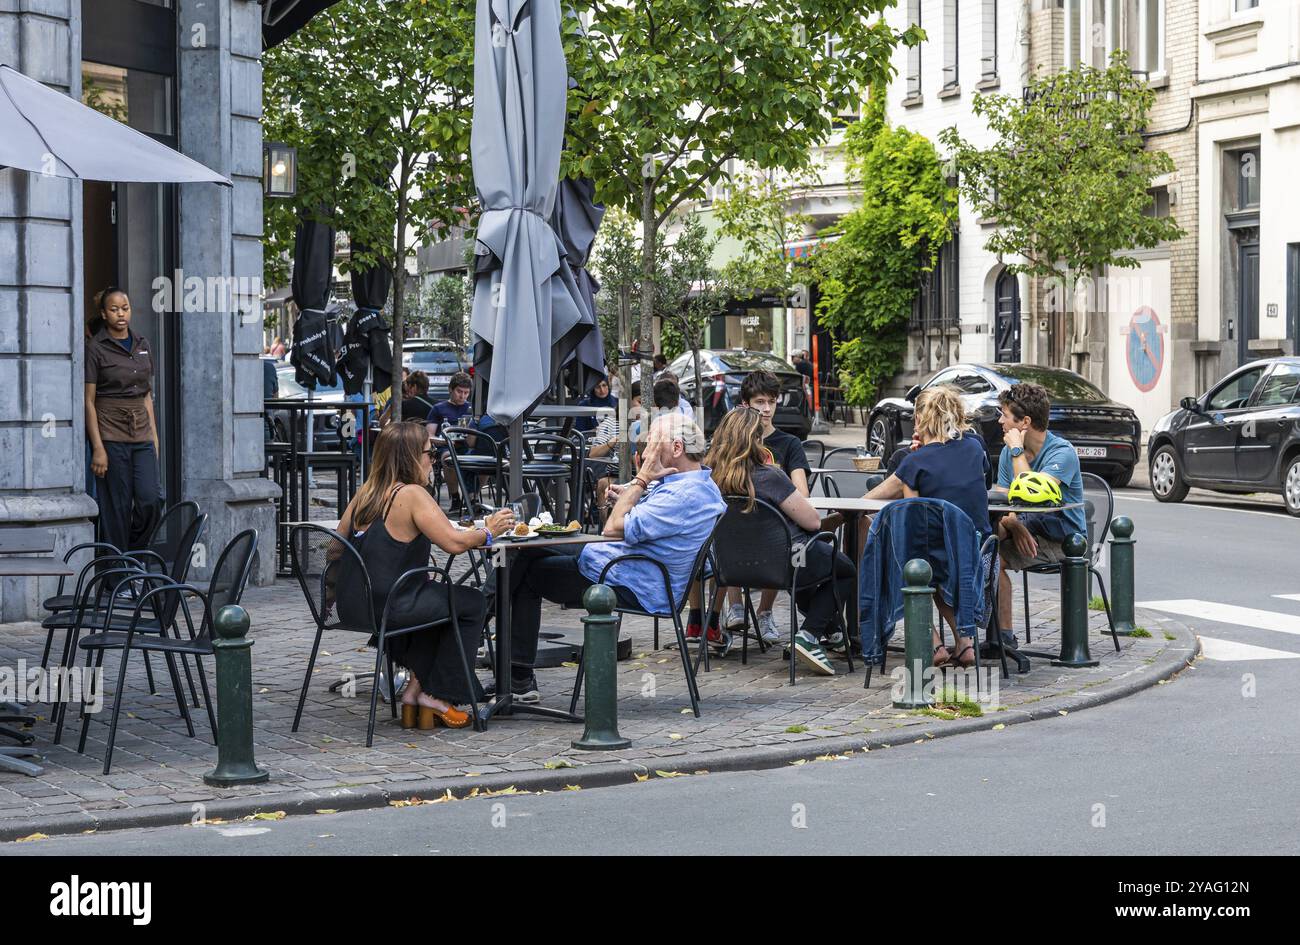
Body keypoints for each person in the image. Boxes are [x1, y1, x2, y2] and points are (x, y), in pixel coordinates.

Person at [492, 414, 724, 704]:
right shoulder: (692, 482)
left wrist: (640, 481)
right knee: (526, 549)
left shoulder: (686, 494)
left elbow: (613, 528)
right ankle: (510, 667)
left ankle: (496, 646)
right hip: (623, 565)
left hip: (631, 581)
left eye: (652, 441)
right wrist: (630, 495)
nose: (646, 447)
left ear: (676, 448)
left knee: (524, 567)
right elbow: (640, 522)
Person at [332, 421, 516, 729]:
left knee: (439, 598)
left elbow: (335, 550)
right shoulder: (413, 494)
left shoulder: (366, 493)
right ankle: (439, 695)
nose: (433, 460)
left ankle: (414, 692)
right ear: (410, 457)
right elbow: (454, 543)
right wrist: (488, 530)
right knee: (470, 602)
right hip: (395, 604)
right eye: (429, 454)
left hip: (357, 607)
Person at [706, 408, 854, 676]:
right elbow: (812, 522)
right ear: (753, 440)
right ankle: (809, 636)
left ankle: (829, 631)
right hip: (786, 563)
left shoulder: (710, 480)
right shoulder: (770, 476)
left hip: (733, 569)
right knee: (843, 569)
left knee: (809, 579)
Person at [883, 386, 991, 666]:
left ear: (919, 419)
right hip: (980, 553)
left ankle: (932, 645)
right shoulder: (975, 447)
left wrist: (919, 459)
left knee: (907, 566)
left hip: (945, 558)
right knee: (938, 572)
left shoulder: (913, 462)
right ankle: (965, 643)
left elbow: (911, 519)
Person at [718, 370, 811, 643]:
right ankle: (735, 607)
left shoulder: (789, 444)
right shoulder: (729, 443)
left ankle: (764, 611)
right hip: (734, 531)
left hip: (773, 535)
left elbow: (802, 491)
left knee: (784, 529)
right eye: (760, 402)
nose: (767, 409)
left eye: (772, 401)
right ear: (745, 404)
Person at [993, 381, 1087, 636]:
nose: (1000, 421)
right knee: (980, 545)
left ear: (1024, 422)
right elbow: (1002, 503)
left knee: (992, 560)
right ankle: (982, 637)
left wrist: (1015, 450)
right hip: (1025, 527)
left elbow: (1032, 493)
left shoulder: (1061, 453)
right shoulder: (1008, 453)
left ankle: (1003, 637)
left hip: (1062, 538)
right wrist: (1014, 525)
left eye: (1004, 415)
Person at [84, 287, 161, 575]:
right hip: (110, 434)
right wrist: (98, 447)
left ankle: (134, 560)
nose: (121, 314)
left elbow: (146, 396)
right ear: (104, 314)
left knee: (151, 500)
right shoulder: (96, 348)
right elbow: (88, 402)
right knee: (116, 509)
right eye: (114, 309)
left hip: (141, 434)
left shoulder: (142, 343)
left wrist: (154, 439)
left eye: (125, 308)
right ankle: (117, 576)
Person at [426, 371, 474, 512]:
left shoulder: (472, 408)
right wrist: (444, 442)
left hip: (468, 446)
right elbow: (429, 435)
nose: (463, 396)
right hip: (445, 447)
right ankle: (455, 497)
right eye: (459, 391)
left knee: (483, 455)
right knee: (449, 458)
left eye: (466, 393)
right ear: (450, 389)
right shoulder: (438, 409)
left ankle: (472, 497)